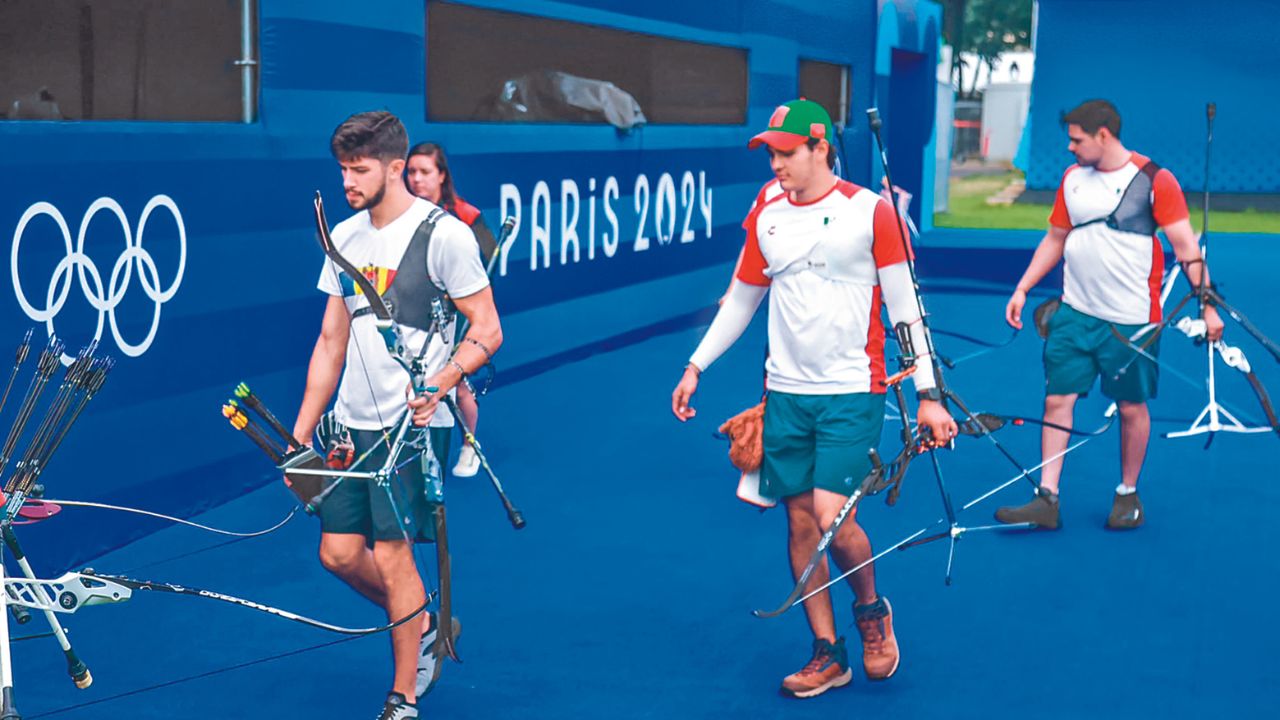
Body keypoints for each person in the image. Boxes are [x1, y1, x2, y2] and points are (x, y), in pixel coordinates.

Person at [670, 99, 956, 699]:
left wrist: (929, 395)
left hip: (854, 390)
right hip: (787, 396)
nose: (776, 163)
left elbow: (906, 309)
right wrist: (696, 364)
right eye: (770, 152)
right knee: (800, 522)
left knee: (832, 518)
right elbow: (744, 298)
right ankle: (828, 653)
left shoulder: (871, 213)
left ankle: (872, 609)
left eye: (786, 152)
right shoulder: (767, 213)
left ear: (821, 147)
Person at [291, 111, 502, 720]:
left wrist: (440, 383)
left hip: (413, 425)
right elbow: (330, 342)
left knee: (392, 554)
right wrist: (301, 433)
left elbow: (488, 331)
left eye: (358, 170)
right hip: (351, 427)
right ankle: (426, 621)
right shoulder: (344, 238)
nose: (347, 181)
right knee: (336, 554)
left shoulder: (446, 236)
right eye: (342, 170)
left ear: (393, 167)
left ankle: (403, 695)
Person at [998, 99, 1222, 531]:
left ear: (1104, 135)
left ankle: (1127, 493)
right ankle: (1047, 497)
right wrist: (1023, 288)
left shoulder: (1155, 180)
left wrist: (1207, 306)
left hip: (1131, 321)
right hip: (1074, 314)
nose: (1070, 147)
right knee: (1056, 399)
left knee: (1130, 406)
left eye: (1077, 139)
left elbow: (1187, 250)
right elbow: (1055, 238)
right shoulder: (1072, 179)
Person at [405, 142, 498, 478]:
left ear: (441, 175)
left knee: (458, 386)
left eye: (425, 172)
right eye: (411, 172)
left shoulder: (466, 217)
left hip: (456, 320)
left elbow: (483, 266)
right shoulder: (403, 217)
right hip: (417, 320)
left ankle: (470, 445)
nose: (417, 179)